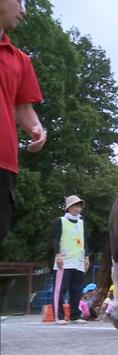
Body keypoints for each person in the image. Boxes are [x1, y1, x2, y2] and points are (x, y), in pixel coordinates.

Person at [0, 0, 47, 246]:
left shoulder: (20, 60)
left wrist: (36, 129)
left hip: (5, 165)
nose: (24, 9)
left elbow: (23, 107)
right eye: (19, 1)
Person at [52, 195, 90, 325]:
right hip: (64, 260)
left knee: (77, 289)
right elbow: (55, 239)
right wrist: (57, 255)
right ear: (69, 207)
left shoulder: (82, 223)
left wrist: (86, 257)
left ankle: (75, 315)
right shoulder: (60, 221)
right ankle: (59, 316)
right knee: (61, 289)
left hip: (78, 261)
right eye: (75, 206)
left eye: (79, 206)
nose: (78, 208)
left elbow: (85, 241)